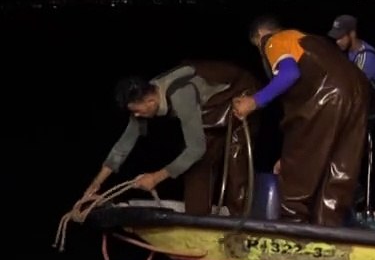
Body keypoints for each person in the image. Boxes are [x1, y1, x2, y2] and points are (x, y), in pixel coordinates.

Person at [235, 17, 368, 226]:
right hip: (359, 95)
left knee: (295, 180)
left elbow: (289, 73)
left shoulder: (273, 40)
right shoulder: (311, 41)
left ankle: (293, 229)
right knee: (339, 173)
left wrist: (254, 101)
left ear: (259, 35)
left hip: (328, 96)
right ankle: (328, 233)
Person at [83, 61, 261, 216]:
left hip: (239, 92)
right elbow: (123, 145)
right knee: (198, 168)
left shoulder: (180, 94)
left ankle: (240, 216)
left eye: (137, 111)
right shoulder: (147, 94)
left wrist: (156, 177)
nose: (136, 115)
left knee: (231, 153)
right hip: (206, 110)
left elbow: (196, 149)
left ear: (151, 102)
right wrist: (96, 184)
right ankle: (197, 217)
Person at [329, 14, 375, 217]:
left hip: (373, 110)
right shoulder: (349, 54)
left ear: (352, 34)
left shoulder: (366, 57)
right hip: (358, 106)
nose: (337, 41)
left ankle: (356, 194)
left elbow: (354, 89)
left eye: (340, 37)